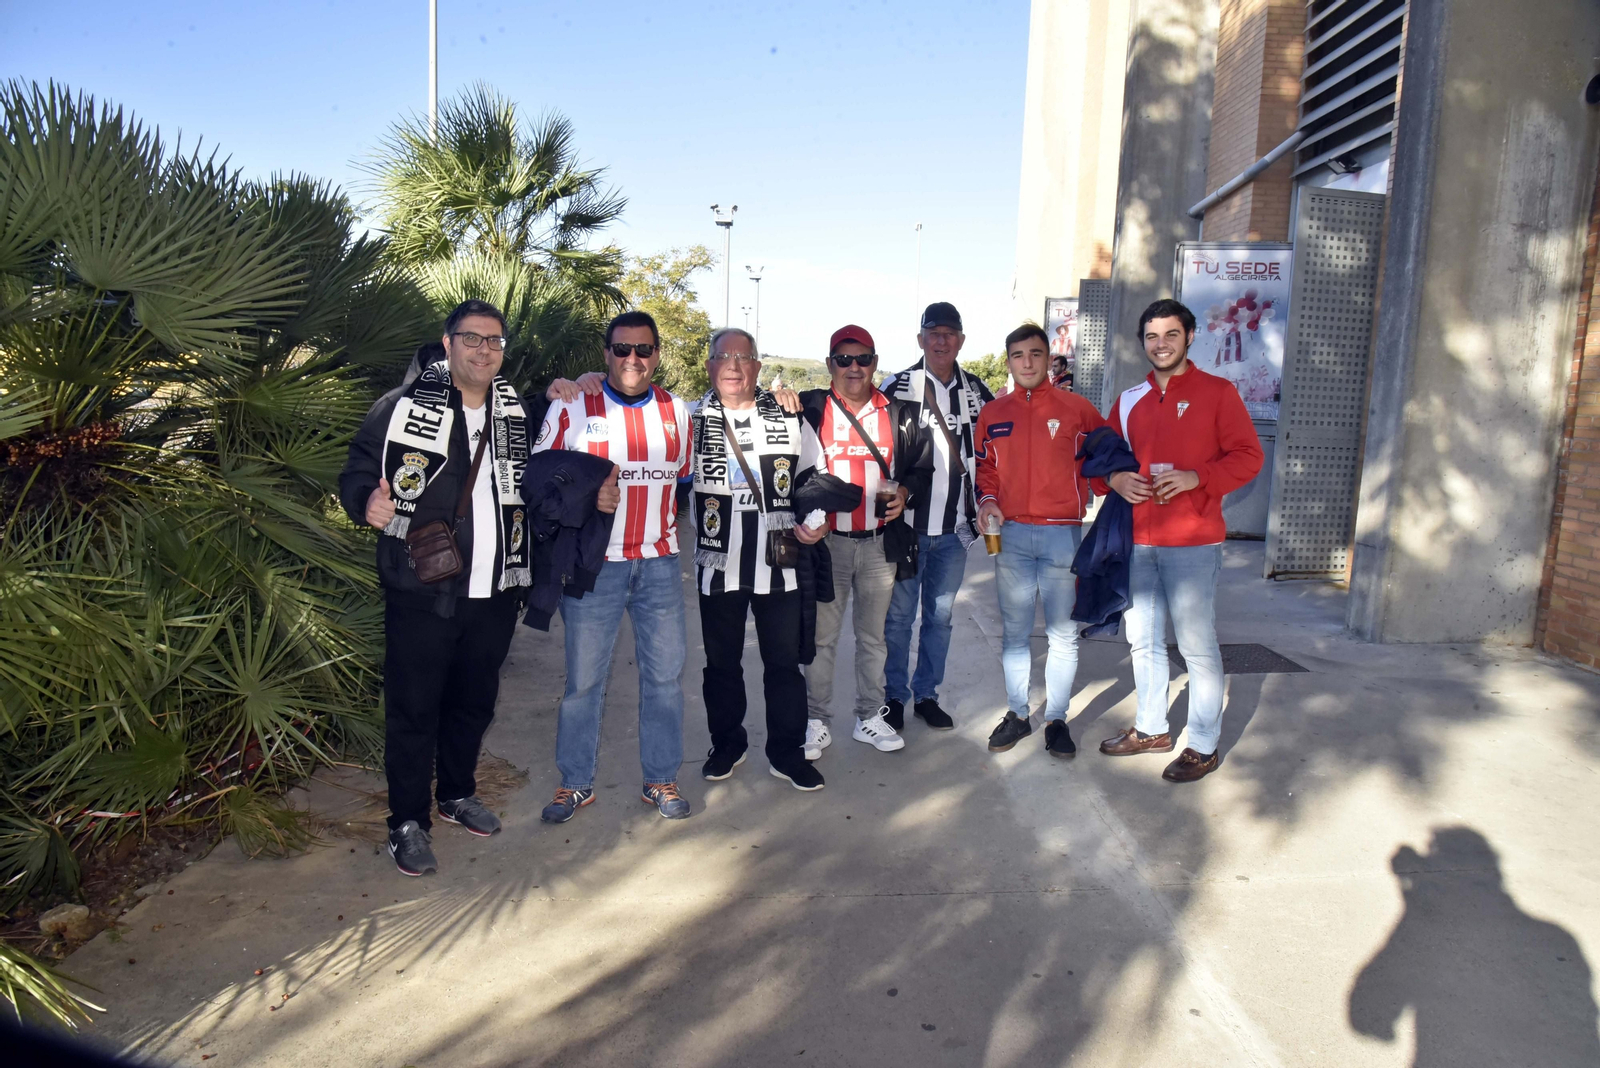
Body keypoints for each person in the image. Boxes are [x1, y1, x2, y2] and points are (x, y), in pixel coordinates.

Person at [339, 299, 532, 877]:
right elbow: (357, 469)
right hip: (422, 588)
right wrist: (363, 502)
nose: (483, 350)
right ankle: (406, 821)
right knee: (413, 708)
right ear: (447, 344)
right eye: (472, 338)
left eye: (494, 341)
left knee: (473, 703)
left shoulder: (516, 411)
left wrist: (584, 378)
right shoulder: (401, 408)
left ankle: (455, 793)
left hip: (494, 589)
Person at [532, 310, 695, 821]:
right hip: (594, 567)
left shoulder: (678, 412)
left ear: (657, 355)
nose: (632, 359)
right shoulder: (573, 404)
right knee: (584, 682)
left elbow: (683, 482)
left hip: (661, 566)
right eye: (621, 349)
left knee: (665, 679)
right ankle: (575, 783)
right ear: (606, 354)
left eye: (643, 350)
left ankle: (661, 780)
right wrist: (582, 497)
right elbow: (536, 481)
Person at [1093, 298, 1263, 782]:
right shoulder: (1128, 400)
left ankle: (1203, 745)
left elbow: (1249, 456)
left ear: (1190, 337)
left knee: (1196, 647)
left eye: (1171, 334)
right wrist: (1116, 482)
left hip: (1193, 542)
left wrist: (1198, 478)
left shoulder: (1218, 392)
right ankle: (1151, 730)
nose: (1161, 344)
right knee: (1143, 642)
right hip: (1138, 542)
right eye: (1151, 336)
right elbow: (1103, 459)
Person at [689, 327, 830, 791]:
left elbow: (817, 476)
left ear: (757, 366)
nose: (733, 365)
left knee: (783, 665)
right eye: (723, 356)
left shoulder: (789, 415)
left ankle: (786, 752)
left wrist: (817, 519)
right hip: (717, 564)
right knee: (721, 664)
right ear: (709, 365)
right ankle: (727, 743)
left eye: (743, 356)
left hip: (780, 562)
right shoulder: (689, 419)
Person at [799, 325, 932, 757]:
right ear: (829, 365)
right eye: (844, 359)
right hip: (828, 543)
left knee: (874, 638)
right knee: (822, 639)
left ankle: (869, 716)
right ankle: (815, 719)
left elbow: (920, 469)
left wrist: (905, 494)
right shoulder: (811, 408)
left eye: (863, 359)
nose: (854, 368)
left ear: (875, 363)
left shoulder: (899, 413)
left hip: (878, 544)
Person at [974, 324, 1105, 757]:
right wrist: (988, 501)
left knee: (1063, 636)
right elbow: (985, 471)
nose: (1027, 362)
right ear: (1008, 360)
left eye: (1035, 354)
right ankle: (1017, 713)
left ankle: (1057, 720)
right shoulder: (993, 414)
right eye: (1017, 355)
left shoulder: (1078, 410)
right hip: (1009, 536)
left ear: (1050, 358)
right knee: (1014, 635)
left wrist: (1110, 486)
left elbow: (1104, 460)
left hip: (1062, 536)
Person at [879, 302, 994, 733]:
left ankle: (926, 694)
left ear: (961, 340)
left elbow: (990, 456)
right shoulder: (896, 387)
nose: (941, 340)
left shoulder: (978, 392)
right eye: (933, 332)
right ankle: (894, 698)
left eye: (949, 333)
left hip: (954, 532)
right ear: (920, 339)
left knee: (940, 619)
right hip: (905, 529)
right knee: (898, 619)